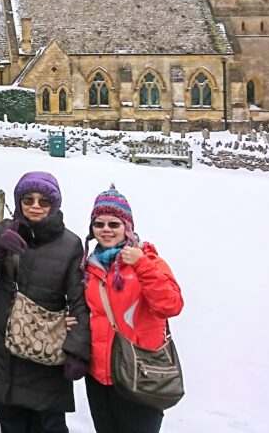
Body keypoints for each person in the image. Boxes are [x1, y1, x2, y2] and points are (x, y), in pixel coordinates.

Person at [0, 171, 91, 433]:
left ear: (54, 205)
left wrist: (77, 350)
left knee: (49, 424)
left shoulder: (70, 244)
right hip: (3, 345)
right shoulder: (5, 229)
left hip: (45, 350)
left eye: (44, 201)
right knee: (10, 420)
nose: (35, 206)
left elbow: (80, 301)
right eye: (28, 199)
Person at [82, 186, 183, 433]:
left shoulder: (149, 261)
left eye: (114, 224)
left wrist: (141, 265)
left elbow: (170, 305)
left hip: (141, 373)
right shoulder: (89, 267)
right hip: (99, 375)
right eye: (99, 224)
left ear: (127, 227)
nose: (106, 230)